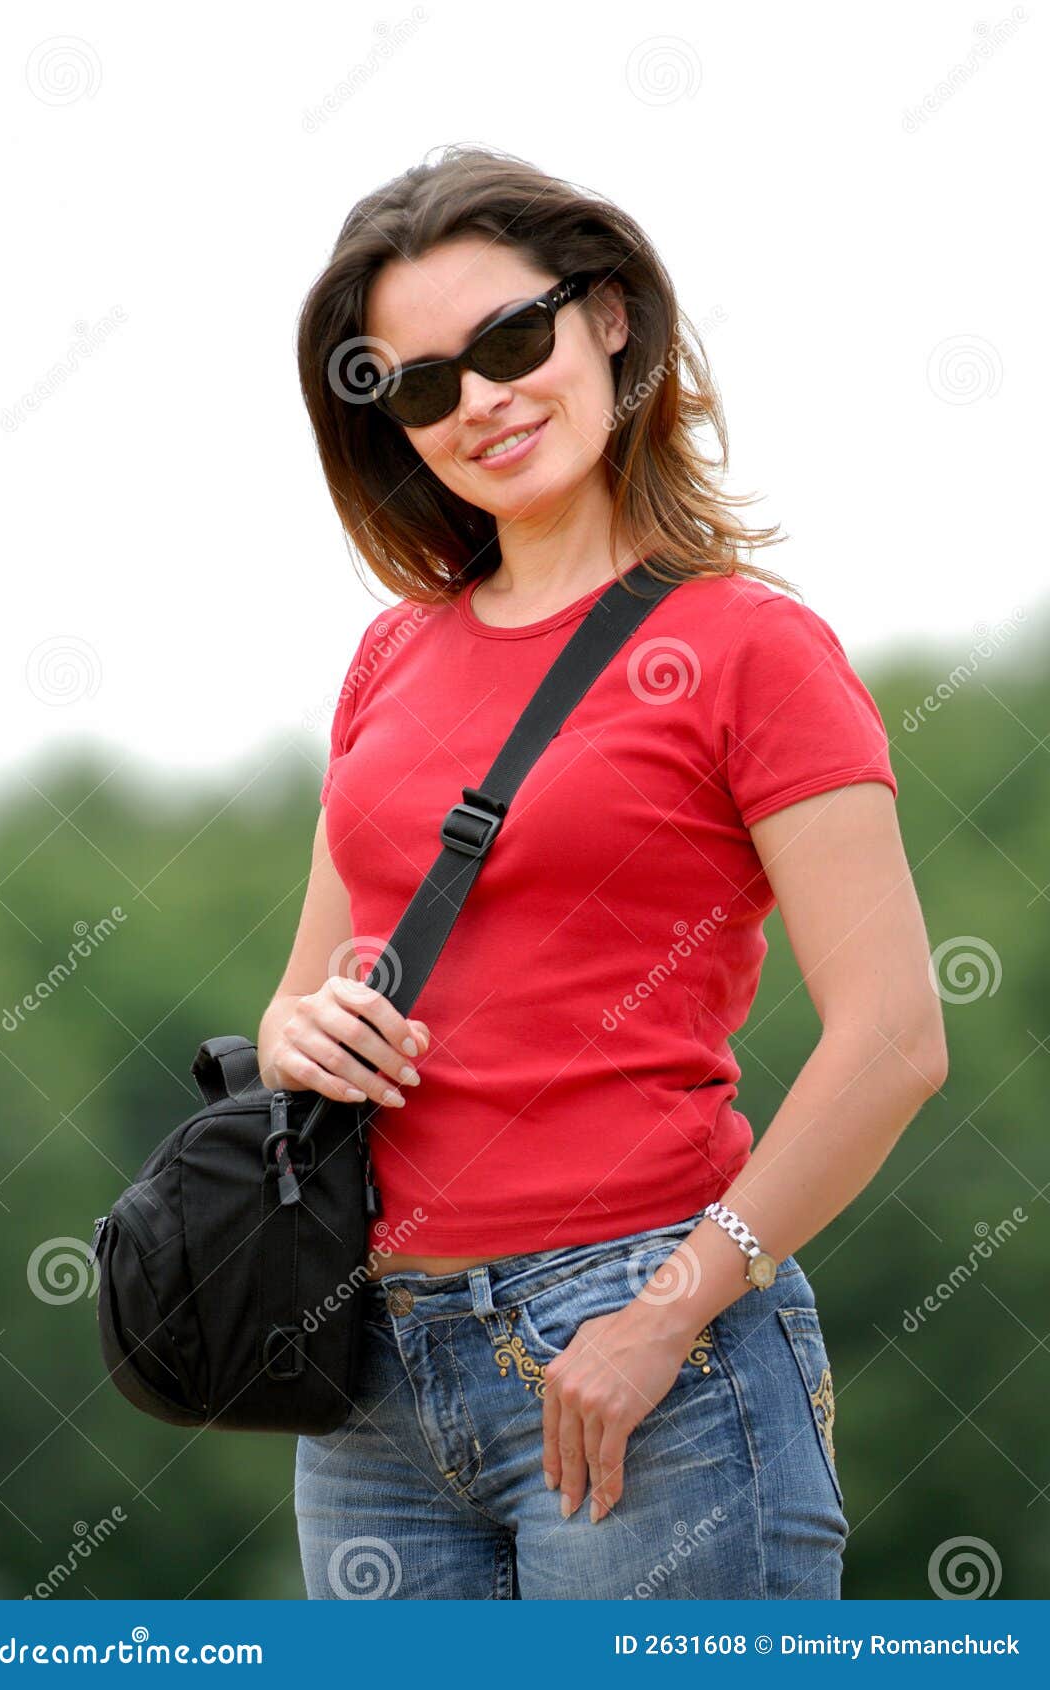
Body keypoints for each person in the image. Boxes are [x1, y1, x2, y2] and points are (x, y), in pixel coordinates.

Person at [257, 145, 947, 1601]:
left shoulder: (756, 650)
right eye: (425, 384)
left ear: (610, 317)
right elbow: (302, 997)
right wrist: (293, 1032)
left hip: (648, 1353)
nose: (482, 402)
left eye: (511, 342)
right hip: (373, 1373)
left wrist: (669, 1313)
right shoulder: (390, 654)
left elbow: (894, 1038)